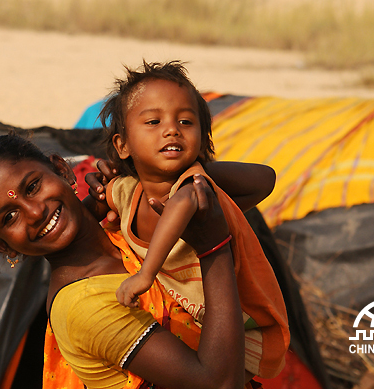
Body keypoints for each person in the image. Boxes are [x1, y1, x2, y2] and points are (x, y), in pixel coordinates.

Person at [0, 132, 251, 389]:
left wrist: (154, 175)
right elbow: (218, 383)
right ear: (2, 244)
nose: (35, 211)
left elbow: (257, 184)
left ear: (62, 170)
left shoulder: (122, 221)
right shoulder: (83, 305)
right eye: (9, 216)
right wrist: (214, 248)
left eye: (33, 187)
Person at [86, 60, 289, 380]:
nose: (171, 129)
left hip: (248, 328)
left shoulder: (195, 184)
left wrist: (145, 275)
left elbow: (183, 203)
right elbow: (90, 210)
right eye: (153, 121)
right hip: (194, 326)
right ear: (122, 146)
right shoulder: (127, 191)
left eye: (186, 121)